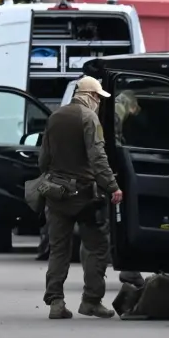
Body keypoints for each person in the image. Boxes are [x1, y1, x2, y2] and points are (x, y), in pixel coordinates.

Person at [36, 75, 122, 319]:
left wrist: (53, 176)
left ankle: (56, 301)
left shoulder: (55, 116)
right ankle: (91, 301)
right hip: (85, 196)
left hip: (55, 193)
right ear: (91, 96)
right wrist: (112, 185)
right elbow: (97, 157)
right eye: (98, 97)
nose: (99, 102)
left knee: (58, 249)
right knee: (97, 247)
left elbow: (43, 159)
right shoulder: (89, 118)